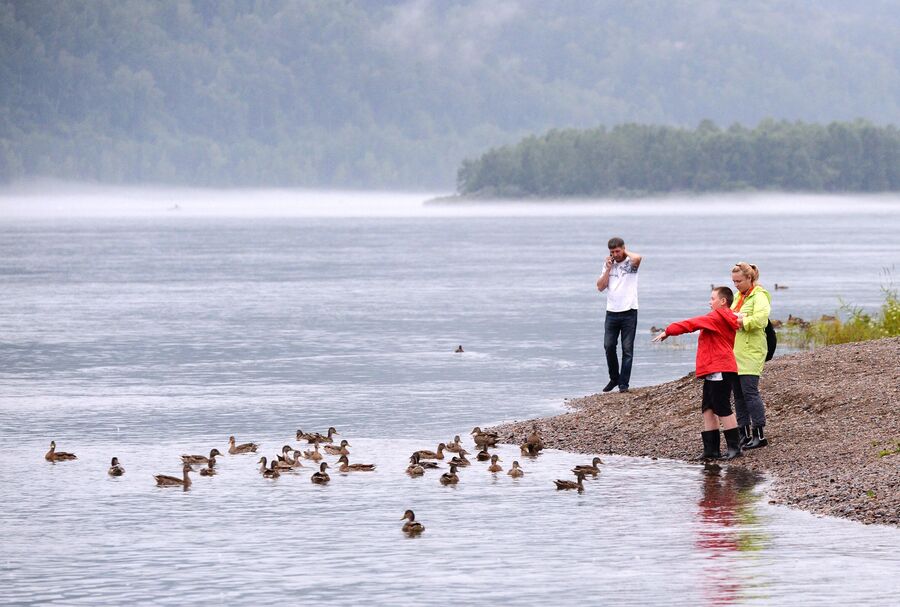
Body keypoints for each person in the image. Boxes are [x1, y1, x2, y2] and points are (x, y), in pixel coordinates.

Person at [652, 286, 743, 460]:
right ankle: (711, 451)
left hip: (721, 368)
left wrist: (668, 331)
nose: (710, 302)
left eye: (712, 298)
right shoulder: (723, 317)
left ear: (723, 301)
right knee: (708, 408)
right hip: (713, 369)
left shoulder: (716, 316)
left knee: (722, 406)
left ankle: (735, 448)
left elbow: (691, 324)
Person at [730, 262, 772, 449]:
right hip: (736, 351)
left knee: (750, 392)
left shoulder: (759, 296)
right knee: (738, 395)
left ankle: (759, 434)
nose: (736, 285)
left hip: (752, 351)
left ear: (750, 278)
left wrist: (741, 321)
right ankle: (744, 433)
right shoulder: (739, 297)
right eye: (733, 281)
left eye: (739, 281)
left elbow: (761, 320)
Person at [596, 237, 642, 393]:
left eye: (617, 251)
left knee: (627, 349)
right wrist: (608, 268)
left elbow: (638, 258)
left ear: (623, 249)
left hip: (629, 311)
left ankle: (624, 384)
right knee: (609, 346)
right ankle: (614, 378)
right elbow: (600, 287)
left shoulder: (630, 263)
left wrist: (624, 252)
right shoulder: (608, 265)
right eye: (612, 252)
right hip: (612, 312)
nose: (615, 254)